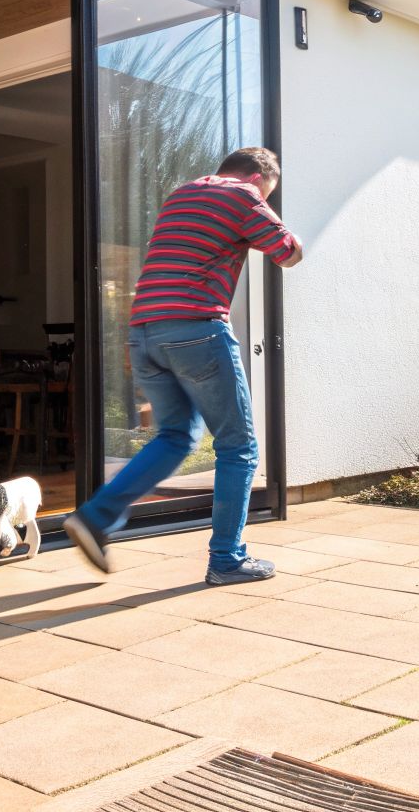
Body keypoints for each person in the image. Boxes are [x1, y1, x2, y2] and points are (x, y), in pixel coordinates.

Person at [63, 146, 303, 585]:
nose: (265, 199)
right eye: (268, 192)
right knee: (239, 446)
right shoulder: (245, 196)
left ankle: (97, 516)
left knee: (176, 436)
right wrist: (268, 223)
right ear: (258, 178)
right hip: (196, 328)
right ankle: (227, 559)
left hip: (145, 331)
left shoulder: (182, 194)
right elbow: (287, 253)